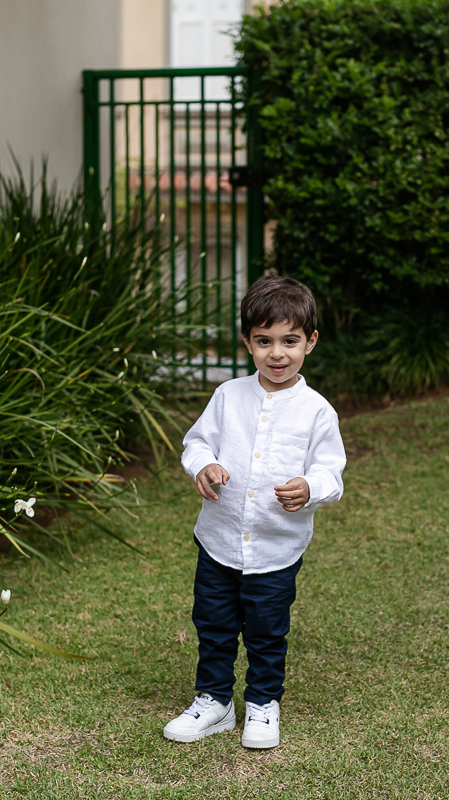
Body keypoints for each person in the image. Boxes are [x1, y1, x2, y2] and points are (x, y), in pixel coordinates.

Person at [164, 275, 346, 750]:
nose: (277, 353)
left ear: (311, 342)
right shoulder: (228, 396)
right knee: (214, 623)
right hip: (219, 542)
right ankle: (215, 702)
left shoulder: (317, 411)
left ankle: (263, 703)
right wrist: (203, 465)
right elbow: (197, 442)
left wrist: (309, 487)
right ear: (247, 342)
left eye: (290, 341)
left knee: (266, 631)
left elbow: (331, 472)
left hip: (275, 549)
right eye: (264, 341)